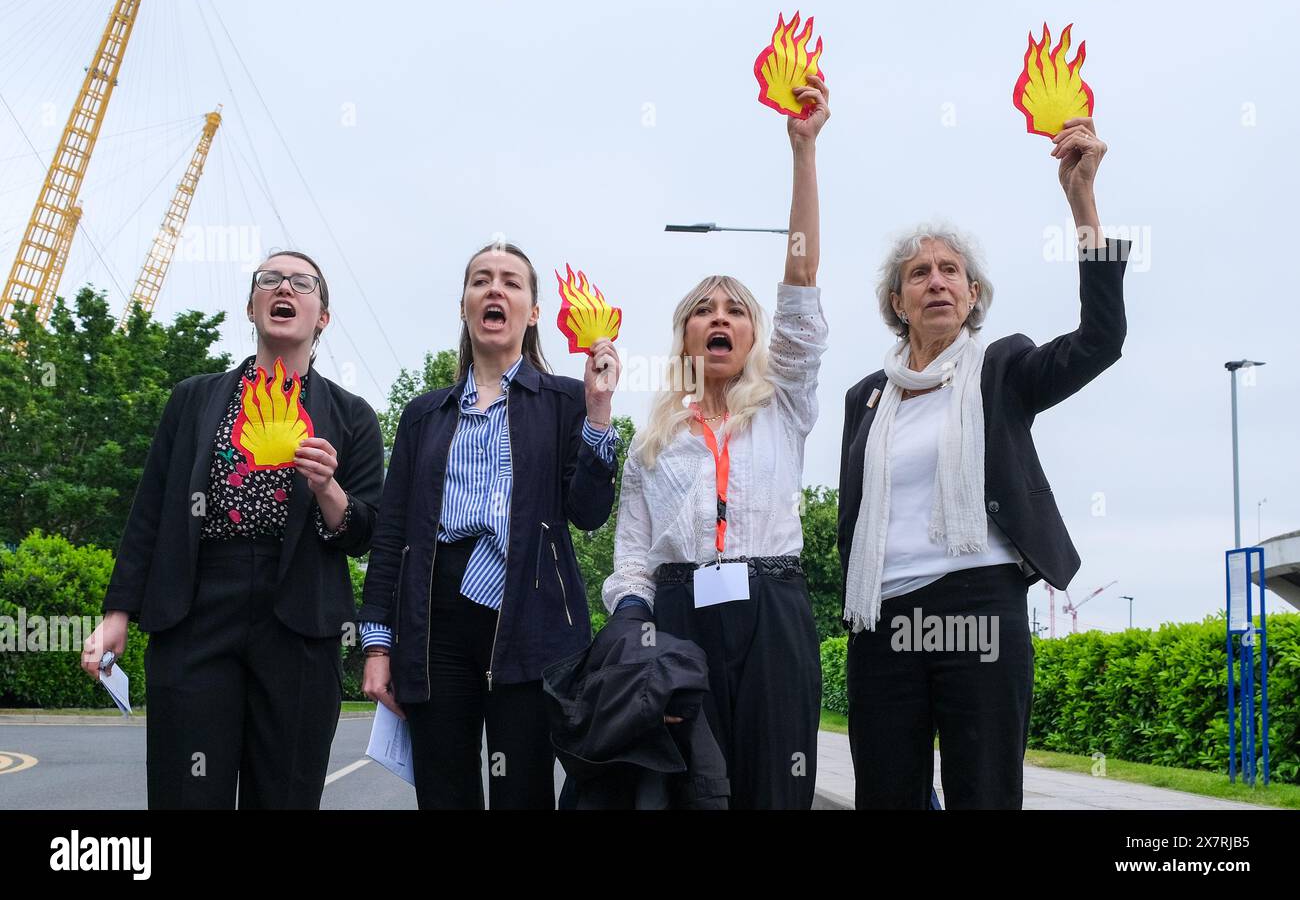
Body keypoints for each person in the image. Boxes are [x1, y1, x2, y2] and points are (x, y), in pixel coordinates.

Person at [838, 117, 1128, 808]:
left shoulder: (1004, 370)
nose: (937, 282)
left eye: (951, 272)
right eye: (919, 273)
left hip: (979, 605)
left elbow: (1100, 340)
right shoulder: (866, 399)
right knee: (886, 795)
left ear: (972, 296)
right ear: (896, 302)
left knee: (984, 795)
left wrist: (1082, 201)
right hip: (882, 620)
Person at [82, 251, 385, 809]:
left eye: (302, 282)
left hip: (298, 617)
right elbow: (150, 511)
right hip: (198, 607)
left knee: (286, 794)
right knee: (187, 792)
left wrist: (328, 489)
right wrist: (116, 614)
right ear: (252, 306)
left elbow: (366, 532)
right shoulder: (194, 400)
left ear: (322, 316)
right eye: (269, 280)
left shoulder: (350, 416)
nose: (283, 287)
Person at [601, 75, 830, 809]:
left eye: (736, 310)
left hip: (772, 612)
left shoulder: (784, 403)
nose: (720, 318)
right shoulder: (652, 439)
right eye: (704, 310)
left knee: (773, 789)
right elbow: (633, 554)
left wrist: (803, 150)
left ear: (756, 335)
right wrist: (634, 622)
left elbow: (800, 286)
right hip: (678, 617)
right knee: (690, 792)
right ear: (686, 335)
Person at [359, 241, 620, 809]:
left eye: (510, 282)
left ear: (532, 312)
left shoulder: (564, 401)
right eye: (481, 280)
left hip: (531, 613)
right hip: (437, 618)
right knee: (444, 787)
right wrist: (377, 646)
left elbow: (590, 513)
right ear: (464, 306)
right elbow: (391, 535)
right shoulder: (425, 414)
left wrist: (599, 414)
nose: (494, 289)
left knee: (520, 790)